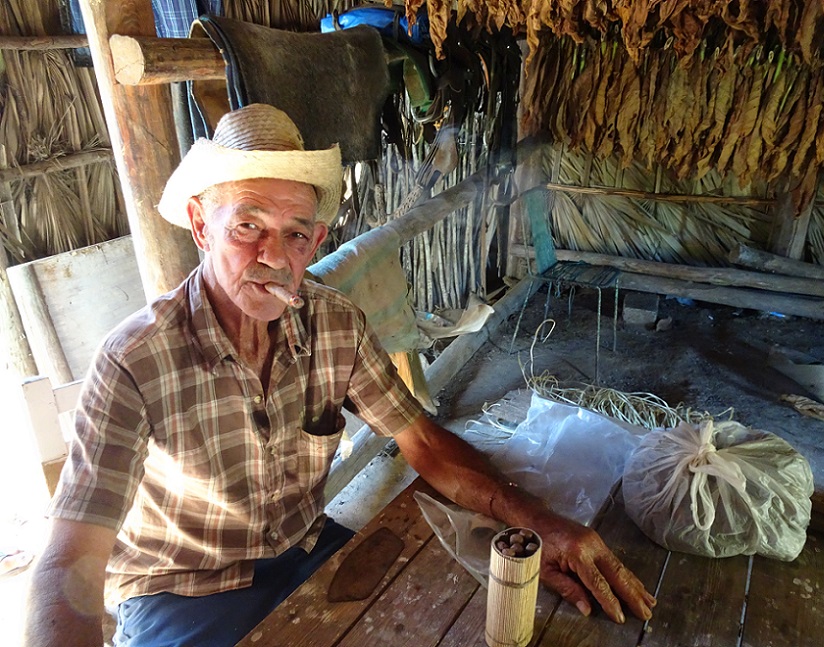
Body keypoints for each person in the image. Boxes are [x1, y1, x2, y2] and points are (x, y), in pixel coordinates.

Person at [24, 104, 655, 647]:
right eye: (247, 226)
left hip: (306, 550)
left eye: (295, 235)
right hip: (183, 597)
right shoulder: (134, 360)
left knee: (452, 616)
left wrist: (535, 522)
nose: (274, 257)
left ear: (317, 238)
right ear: (200, 225)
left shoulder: (334, 324)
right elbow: (66, 563)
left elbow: (423, 443)